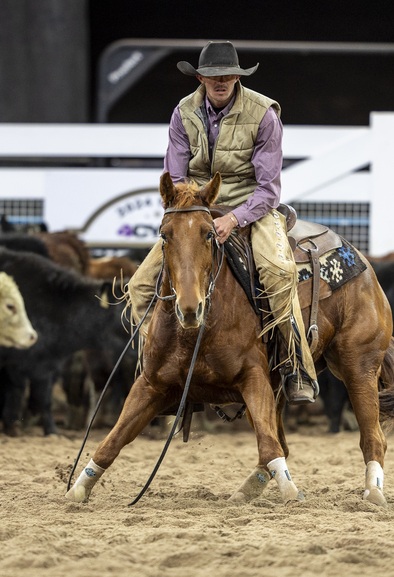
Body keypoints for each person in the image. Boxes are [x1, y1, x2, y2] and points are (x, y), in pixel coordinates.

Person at [127, 40, 319, 404]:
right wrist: (195, 208)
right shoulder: (183, 112)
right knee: (140, 285)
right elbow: (176, 176)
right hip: (197, 208)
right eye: (213, 75)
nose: (221, 81)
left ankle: (296, 366)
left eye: (228, 75)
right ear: (200, 78)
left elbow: (268, 189)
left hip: (251, 206)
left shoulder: (264, 114)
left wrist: (234, 217)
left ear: (237, 77)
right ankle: (155, 373)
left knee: (279, 272)